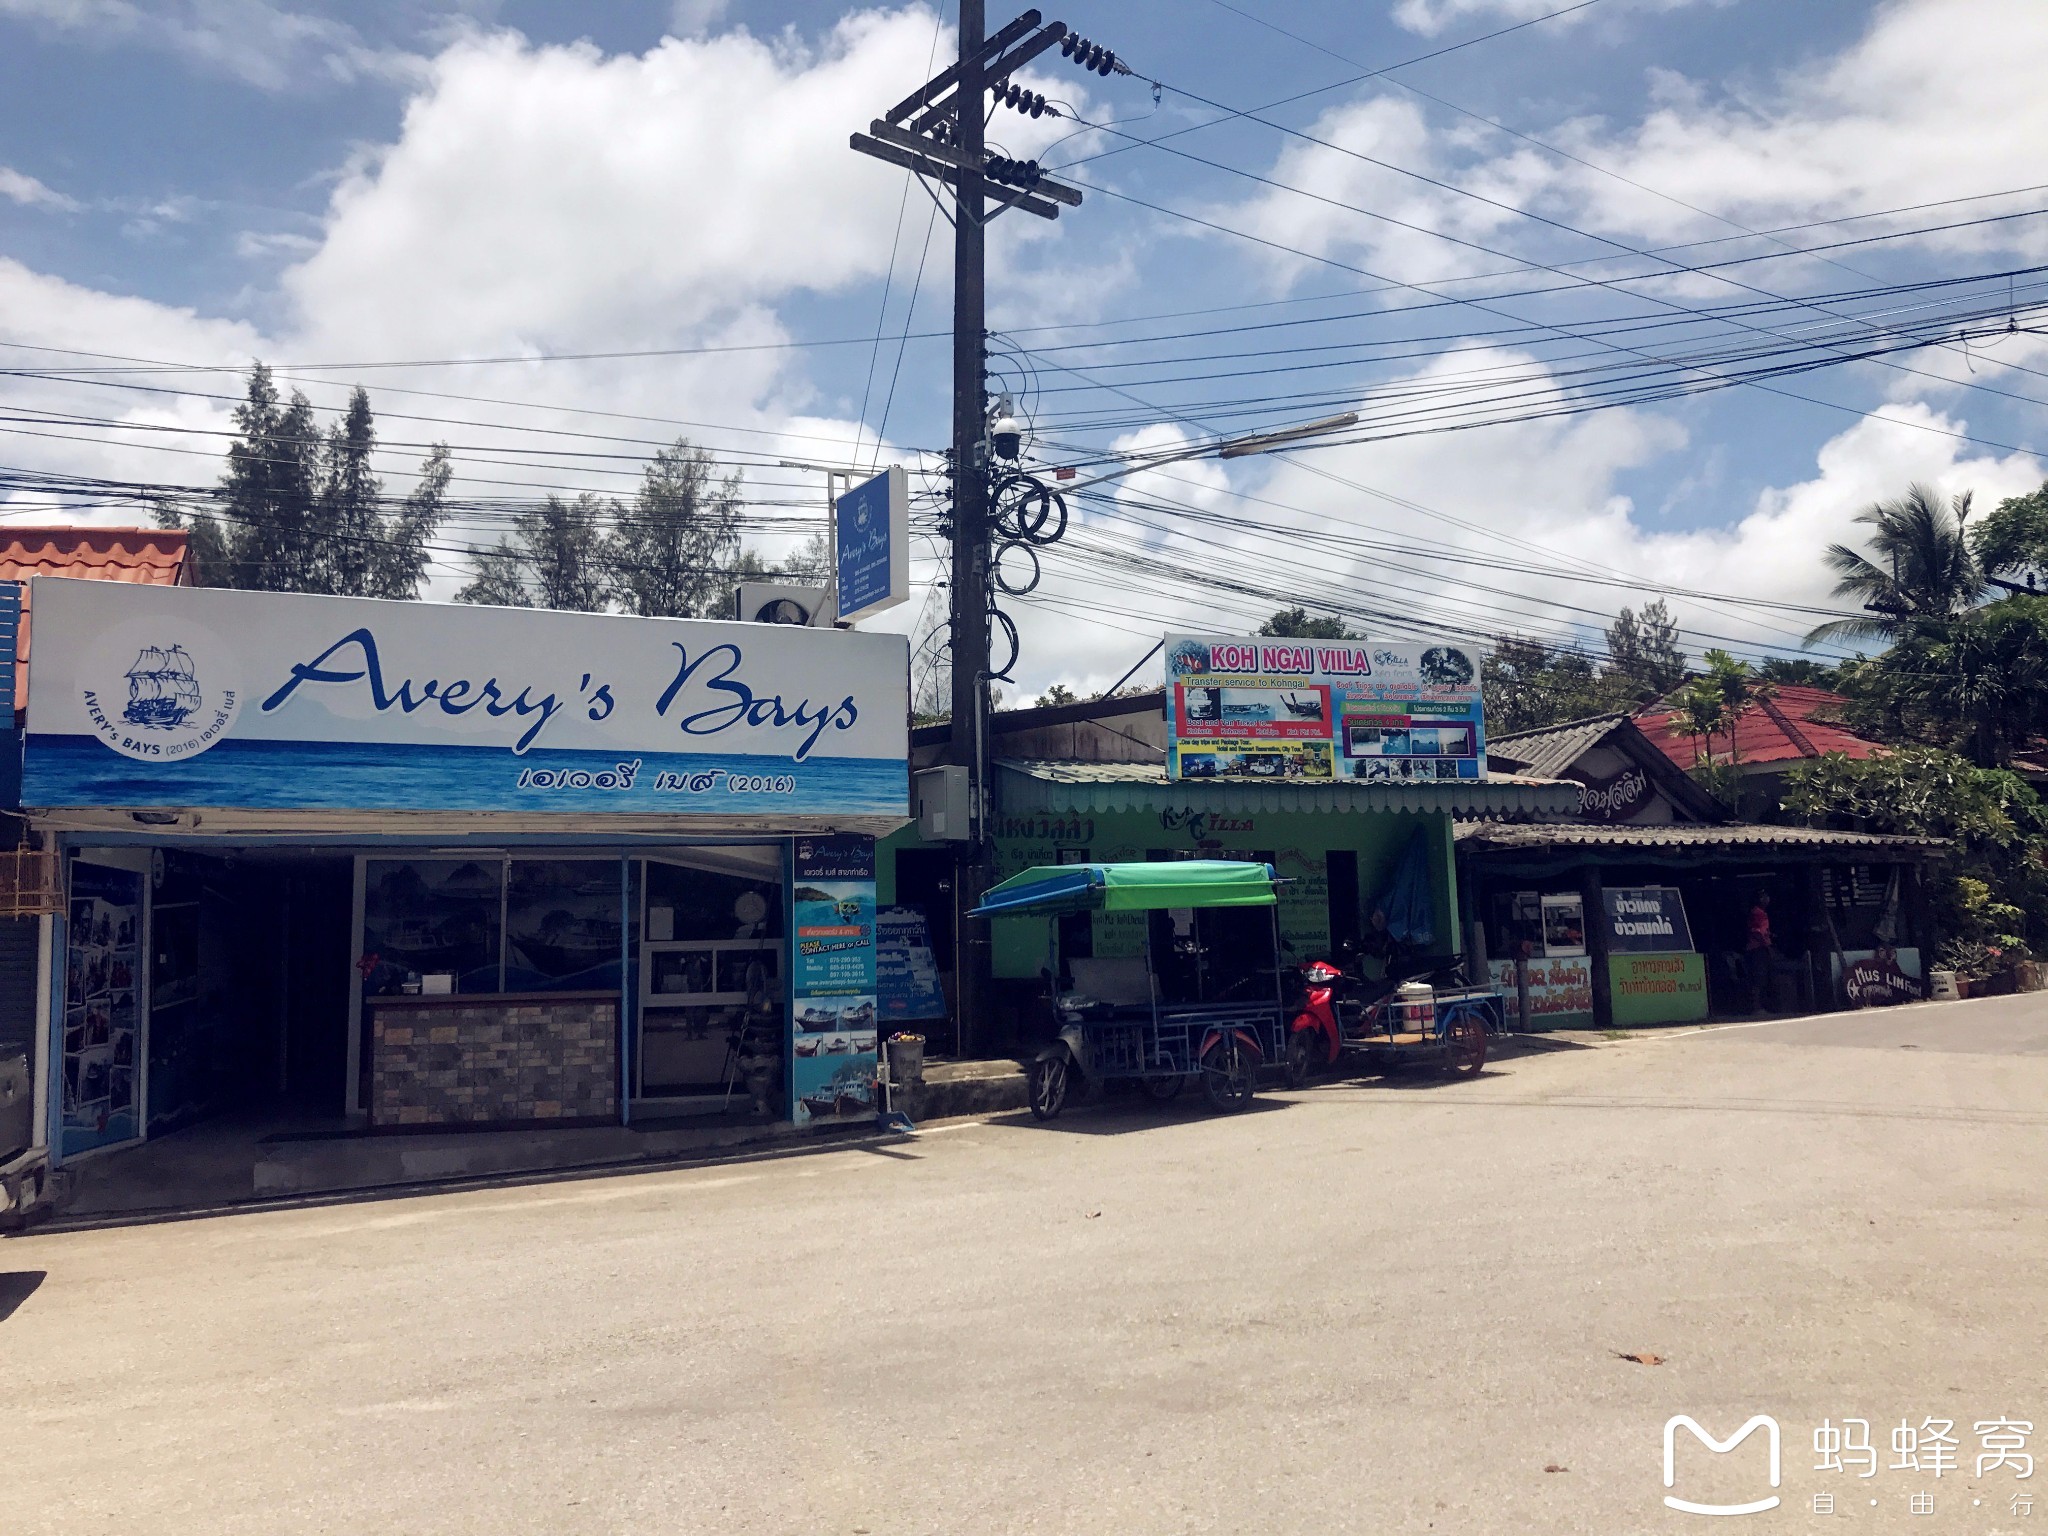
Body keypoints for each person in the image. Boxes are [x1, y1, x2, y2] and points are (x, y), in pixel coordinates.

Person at [1745, 890, 1774, 1012]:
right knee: (1758, 978)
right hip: (1758, 949)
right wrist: (1767, 945)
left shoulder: (1759, 913)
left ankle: (1760, 1006)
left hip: (1758, 949)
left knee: (1761, 978)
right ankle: (1756, 1007)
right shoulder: (1758, 913)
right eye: (1764, 897)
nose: (1767, 899)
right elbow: (1757, 932)